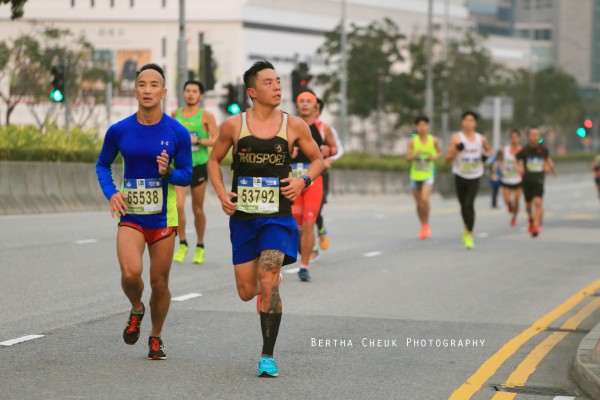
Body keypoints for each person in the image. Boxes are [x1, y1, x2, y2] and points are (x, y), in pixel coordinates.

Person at [207, 60, 324, 377]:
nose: (277, 87)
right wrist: (221, 193)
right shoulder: (233, 125)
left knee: (269, 276)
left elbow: (317, 159)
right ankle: (268, 284)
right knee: (247, 291)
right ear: (252, 91)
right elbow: (214, 161)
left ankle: (267, 356)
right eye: (269, 82)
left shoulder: (294, 125)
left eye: (278, 82)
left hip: (277, 216)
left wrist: (303, 181)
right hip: (244, 218)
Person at [96, 63, 192, 360]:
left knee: (159, 283)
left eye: (154, 85)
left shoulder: (177, 132)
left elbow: (187, 175)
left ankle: (155, 336)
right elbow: (102, 164)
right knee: (130, 273)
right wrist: (112, 192)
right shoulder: (119, 130)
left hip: (163, 217)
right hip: (132, 215)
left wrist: (168, 173)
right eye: (142, 84)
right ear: (135, 91)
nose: (147, 90)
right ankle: (137, 307)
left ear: (163, 92)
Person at [171, 80, 218, 265]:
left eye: (194, 91)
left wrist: (197, 141)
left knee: (197, 209)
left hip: (198, 166)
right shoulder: (175, 114)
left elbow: (216, 140)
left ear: (200, 96)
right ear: (183, 93)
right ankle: (182, 243)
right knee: (178, 205)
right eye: (188, 91)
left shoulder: (206, 116)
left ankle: (200, 245)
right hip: (180, 166)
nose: (190, 94)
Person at [293, 91, 337, 281]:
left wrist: (328, 150)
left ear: (315, 107)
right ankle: (302, 250)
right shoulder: (290, 125)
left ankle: (304, 266)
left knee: (309, 221)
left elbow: (334, 149)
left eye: (308, 102)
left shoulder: (322, 128)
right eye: (301, 101)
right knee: (296, 226)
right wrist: (289, 151)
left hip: (314, 178)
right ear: (297, 105)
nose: (304, 104)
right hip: (293, 178)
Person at [446, 111, 491, 249]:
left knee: (469, 204)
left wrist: (485, 156)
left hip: (475, 175)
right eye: (466, 120)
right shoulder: (456, 138)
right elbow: (448, 159)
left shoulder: (480, 138)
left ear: (475, 123)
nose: (468, 123)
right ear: (462, 122)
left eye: (471, 120)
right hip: (460, 175)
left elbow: (488, 151)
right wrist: (457, 149)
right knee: (463, 205)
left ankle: (469, 232)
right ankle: (466, 226)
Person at [310, 97, 344, 260]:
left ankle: (321, 229)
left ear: (319, 111)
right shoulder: (296, 126)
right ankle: (310, 246)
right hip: (301, 174)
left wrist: (329, 158)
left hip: (321, 174)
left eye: (314, 107)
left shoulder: (325, 128)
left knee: (315, 208)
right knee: (303, 212)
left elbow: (338, 149)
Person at [516, 127, 557, 238]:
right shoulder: (524, 150)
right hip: (527, 180)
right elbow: (516, 160)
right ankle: (530, 218)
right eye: (532, 134)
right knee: (528, 205)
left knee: (538, 203)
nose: (535, 137)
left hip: (539, 179)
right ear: (528, 136)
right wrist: (519, 168)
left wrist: (552, 169)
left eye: (537, 134)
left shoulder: (543, 149)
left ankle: (535, 225)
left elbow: (548, 160)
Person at [406, 115, 442, 240]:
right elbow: (407, 159)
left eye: (424, 125)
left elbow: (440, 152)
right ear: (416, 127)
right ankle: (422, 225)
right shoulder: (412, 141)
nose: (422, 127)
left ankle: (426, 224)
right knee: (418, 204)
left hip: (428, 174)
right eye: (419, 125)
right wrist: (414, 155)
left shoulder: (433, 140)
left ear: (428, 126)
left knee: (424, 198)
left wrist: (435, 157)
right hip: (415, 175)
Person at [500, 129, 523, 226]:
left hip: (518, 179)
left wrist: (519, 168)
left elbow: (524, 165)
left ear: (519, 139)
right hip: (506, 179)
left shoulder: (522, 151)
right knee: (507, 200)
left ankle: (514, 218)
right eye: (512, 138)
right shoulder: (504, 150)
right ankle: (509, 206)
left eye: (516, 138)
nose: (514, 140)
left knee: (517, 200)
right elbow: (499, 161)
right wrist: (501, 168)